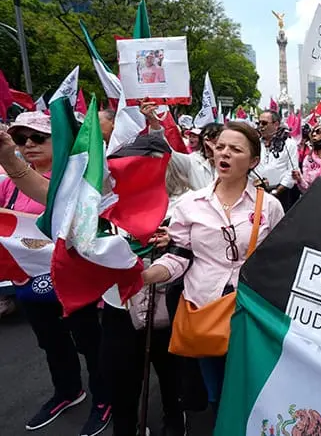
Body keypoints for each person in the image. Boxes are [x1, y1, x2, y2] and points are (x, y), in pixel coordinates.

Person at [140, 121, 285, 410]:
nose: (225, 153)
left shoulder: (270, 207)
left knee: (249, 390)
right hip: (203, 309)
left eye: (236, 149)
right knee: (214, 392)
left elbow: (279, 263)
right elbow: (178, 257)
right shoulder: (190, 204)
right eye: (220, 147)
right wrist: (144, 276)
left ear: (253, 161)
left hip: (250, 313)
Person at [0, 111, 111, 436]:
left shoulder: (77, 180)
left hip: (73, 280)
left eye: (38, 137)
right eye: (20, 139)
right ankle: (68, 391)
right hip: (29, 281)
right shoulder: (8, 185)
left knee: (90, 342)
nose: (29, 145)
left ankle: (104, 398)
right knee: (51, 343)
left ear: (58, 140)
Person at [255, 110, 299, 211]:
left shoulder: (289, 143)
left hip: (281, 194)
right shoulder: (255, 143)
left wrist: (276, 192)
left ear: (276, 124)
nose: (260, 126)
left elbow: (292, 171)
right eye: (258, 123)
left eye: (264, 123)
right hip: (257, 192)